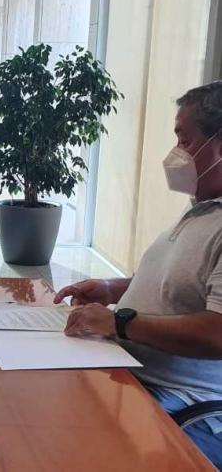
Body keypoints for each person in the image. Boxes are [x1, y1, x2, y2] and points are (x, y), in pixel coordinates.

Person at [54, 81, 222, 467]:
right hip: (128, 369)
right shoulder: (201, 211)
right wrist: (112, 288)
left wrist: (119, 322)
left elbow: (217, 333)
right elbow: (182, 285)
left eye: (184, 139)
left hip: (179, 398)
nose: (175, 152)